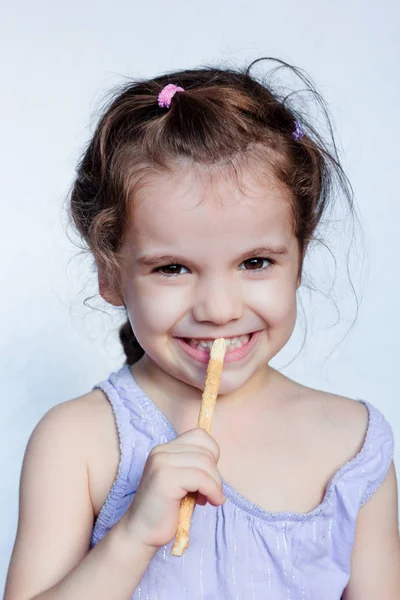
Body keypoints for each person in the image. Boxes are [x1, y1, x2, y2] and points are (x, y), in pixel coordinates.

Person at [4, 58, 400, 600]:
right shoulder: (77, 442)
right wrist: (134, 537)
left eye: (256, 262)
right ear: (110, 274)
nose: (218, 308)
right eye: (173, 268)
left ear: (301, 257)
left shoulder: (354, 444)